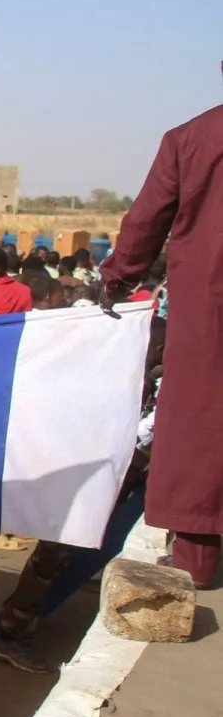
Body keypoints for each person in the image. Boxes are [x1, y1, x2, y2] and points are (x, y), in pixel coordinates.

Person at [102, 104, 223, 585]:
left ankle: (197, 561)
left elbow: (147, 220)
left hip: (209, 309)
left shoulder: (191, 139)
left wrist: (118, 277)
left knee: (203, 424)